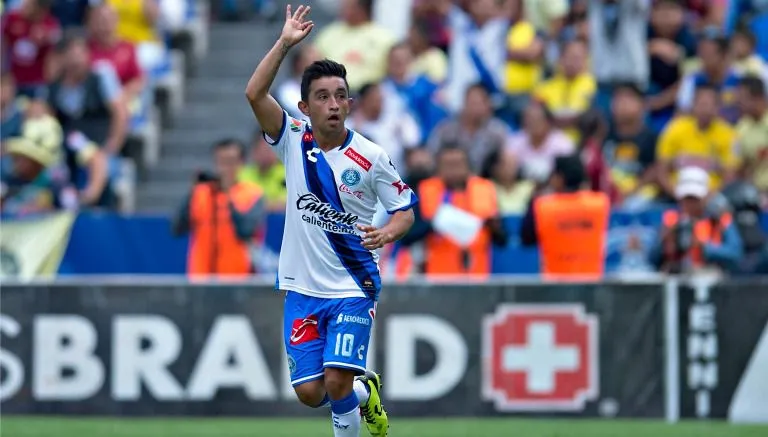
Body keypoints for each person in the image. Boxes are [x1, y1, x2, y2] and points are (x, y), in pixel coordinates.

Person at [244, 5, 417, 437]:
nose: (333, 104)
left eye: (341, 95)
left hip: (353, 284)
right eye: (322, 96)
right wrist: (285, 44)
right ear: (305, 105)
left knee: (337, 378)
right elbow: (253, 94)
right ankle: (365, 394)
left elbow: (405, 209)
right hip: (302, 288)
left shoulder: (371, 157)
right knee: (310, 391)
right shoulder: (291, 139)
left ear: (350, 103)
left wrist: (388, 232)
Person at [171, 139, 265, 277]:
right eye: (221, 162)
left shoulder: (252, 194)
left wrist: (227, 195)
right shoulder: (201, 193)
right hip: (200, 278)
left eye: (231, 162)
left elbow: (245, 231)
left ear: (241, 164)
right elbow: (177, 228)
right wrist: (192, 192)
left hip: (238, 279)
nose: (225, 168)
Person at [520, 154, 610, 278]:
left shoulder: (542, 206)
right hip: (592, 285)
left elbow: (526, 240)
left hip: (555, 287)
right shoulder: (600, 203)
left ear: (559, 178)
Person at [650, 166, 743, 273]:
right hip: (675, 273)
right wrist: (663, 242)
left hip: (710, 273)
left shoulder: (720, 218)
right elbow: (652, 259)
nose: (690, 204)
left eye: (695, 199)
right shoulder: (671, 219)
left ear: (706, 196)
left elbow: (736, 253)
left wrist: (704, 247)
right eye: (687, 198)